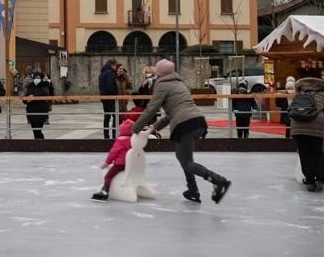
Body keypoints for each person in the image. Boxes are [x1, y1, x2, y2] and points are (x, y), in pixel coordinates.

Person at [134, 59, 231, 204]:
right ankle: (192, 190)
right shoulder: (179, 83)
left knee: (187, 163)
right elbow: (173, 112)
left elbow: (151, 108)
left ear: (159, 73)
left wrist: (135, 128)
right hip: (198, 121)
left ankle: (218, 181)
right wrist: (155, 127)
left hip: (185, 125)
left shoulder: (161, 84)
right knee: (183, 157)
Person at [290, 76, 324, 192]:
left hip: (297, 125)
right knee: (317, 153)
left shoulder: (300, 91)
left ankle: (309, 181)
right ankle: (320, 179)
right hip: (316, 126)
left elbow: (291, 108)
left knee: (304, 153)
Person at [91, 119, 139, 201]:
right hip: (130, 164)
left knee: (108, 176)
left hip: (120, 164)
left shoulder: (120, 141)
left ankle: (105, 191)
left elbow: (113, 153)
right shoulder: (133, 140)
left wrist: (107, 163)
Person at [23, 71, 52, 139]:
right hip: (31, 111)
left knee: (38, 130)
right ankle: (38, 144)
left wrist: (33, 97)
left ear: (41, 78)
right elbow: (25, 98)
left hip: (41, 111)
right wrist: (26, 100)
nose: (36, 79)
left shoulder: (45, 85)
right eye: (35, 77)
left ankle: (41, 143)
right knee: (34, 130)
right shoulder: (30, 86)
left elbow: (46, 95)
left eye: (38, 77)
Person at [98, 59, 119, 139]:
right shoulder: (110, 73)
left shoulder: (101, 74)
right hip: (111, 98)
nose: (115, 68)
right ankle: (114, 135)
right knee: (115, 116)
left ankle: (106, 136)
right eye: (115, 66)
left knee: (107, 117)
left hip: (104, 98)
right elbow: (110, 86)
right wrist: (115, 94)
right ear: (112, 65)